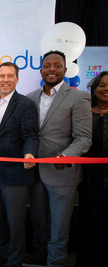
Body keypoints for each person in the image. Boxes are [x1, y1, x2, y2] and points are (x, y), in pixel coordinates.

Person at [26, 50, 92, 267]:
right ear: (41, 69)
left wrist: (65, 155)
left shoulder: (79, 97)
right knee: (39, 222)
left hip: (62, 172)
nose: (51, 69)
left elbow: (83, 138)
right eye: (47, 65)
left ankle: (56, 262)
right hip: (34, 171)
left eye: (57, 66)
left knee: (59, 225)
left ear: (65, 69)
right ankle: (40, 256)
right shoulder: (30, 98)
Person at [0, 62, 39, 267]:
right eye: (1, 76)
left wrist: (29, 153)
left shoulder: (25, 104)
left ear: (17, 79)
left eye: (10, 76)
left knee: (15, 222)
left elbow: (31, 135)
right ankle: (2, 255)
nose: (5, 80)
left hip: (16, 174)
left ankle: (15, 261)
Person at [76, 71, 108, 266]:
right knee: (88, 222)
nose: (106, 89)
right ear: (94, 90)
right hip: (87, 180)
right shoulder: (85, 113)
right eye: (102, 85)